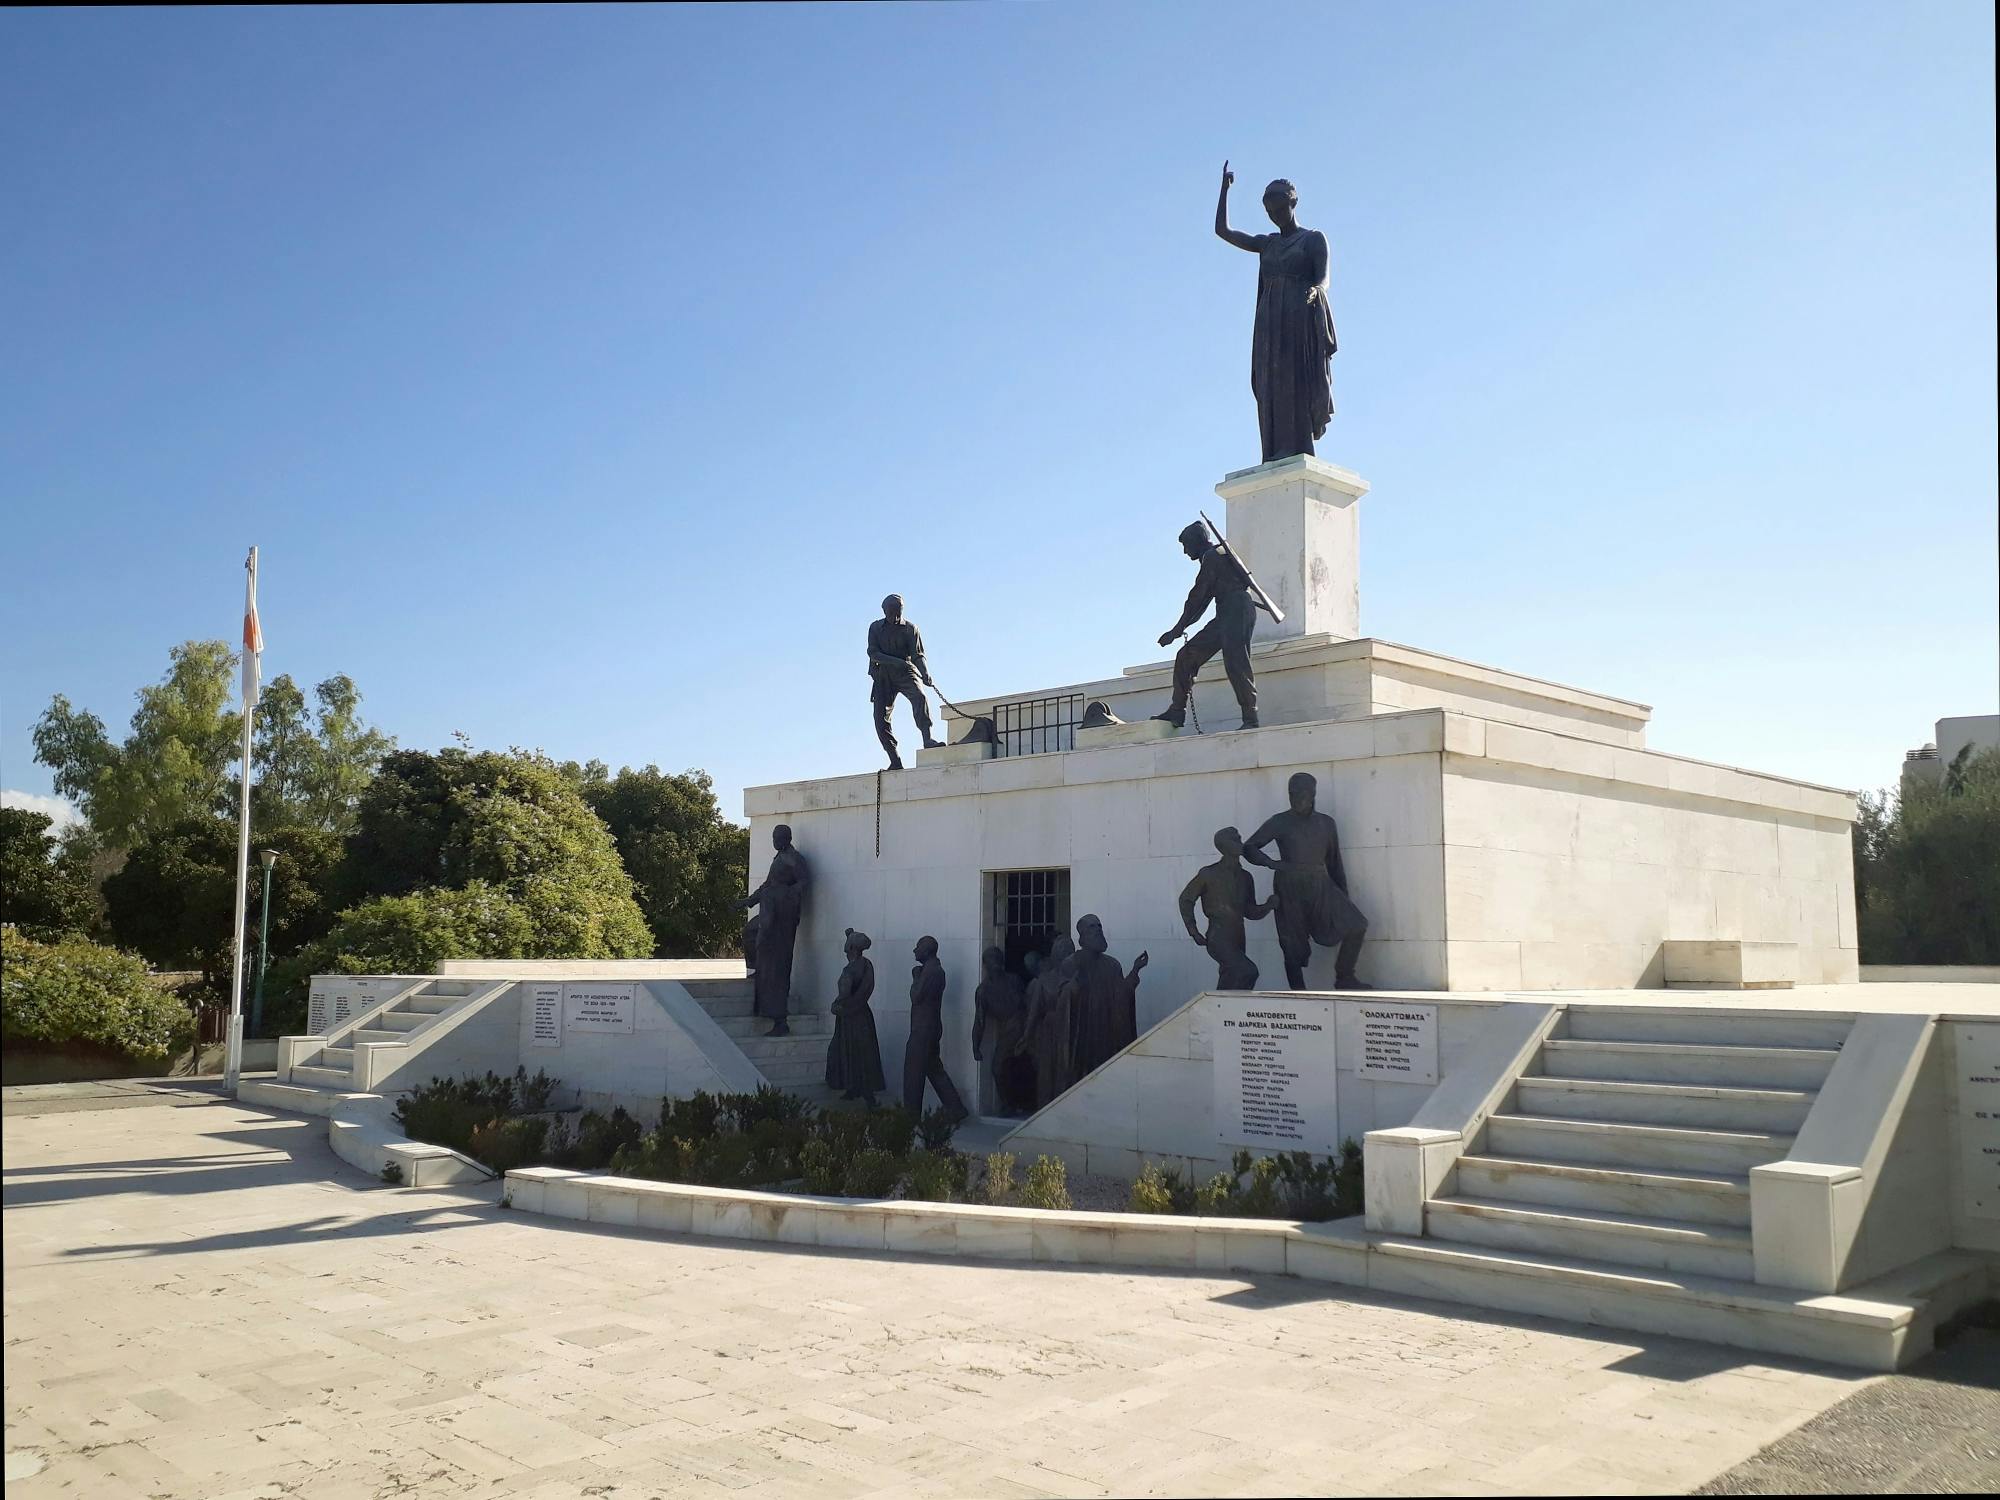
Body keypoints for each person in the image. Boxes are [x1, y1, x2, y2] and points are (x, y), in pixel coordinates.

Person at [1214, 161, 1337, 463]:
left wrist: (1315, 291)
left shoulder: (1312, 239)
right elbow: (1223, 231)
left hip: (1298, 317)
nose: (1275, 215)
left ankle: (1299, 446)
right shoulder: (1266, 244)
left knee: (1294, 380)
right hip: (1269, 322)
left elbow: (1323, 278)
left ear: (1292, 203)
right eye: (1270, 211)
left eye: (1279, 208)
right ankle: (1272, 450)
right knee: (1271, 383)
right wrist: (1224, 191)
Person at [1242, 772, 1369, 990]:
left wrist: (1343, 898)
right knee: (1291, 943)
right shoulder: (1280, 821)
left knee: (1357, 924)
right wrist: (1270, 863)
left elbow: (1334, 862)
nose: (1295, 798)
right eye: (1291, 793)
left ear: (1312, 794)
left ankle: (1344, 976)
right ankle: (1298, 992)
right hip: (1289, 886)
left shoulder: (1327, 823)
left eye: (1300, 793)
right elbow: (1249, 847)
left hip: (1320, 884)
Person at [1152, 521, 1259, 730]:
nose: (1184, 552)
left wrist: (1175, 631)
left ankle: (1251, 718)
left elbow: (1198, 598)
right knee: (1186, 656)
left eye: (1186, 545)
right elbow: (1200, 599)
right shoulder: (1214, 555)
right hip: (1226, 612)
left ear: (1196, 542)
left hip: (1236, 610)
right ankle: (1177, 711)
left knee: (1236, 664)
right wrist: (1179, 628)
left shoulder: (1212, 557)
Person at [1179, 826, 1275, 990]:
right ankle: (1226, 1010)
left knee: (1231, 977)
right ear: (1224, 846)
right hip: (1219, 935)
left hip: (1238, 935)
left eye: (1239, 839)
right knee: (1247, 971)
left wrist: (1268, 906)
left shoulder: (1246, 877)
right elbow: (1186, 899)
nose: (1240, 843)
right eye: (1235, 840)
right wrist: (1193, 931)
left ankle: (1228, 1013)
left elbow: (1250, 912)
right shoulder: (1209, 874)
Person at [736, 824, 809, 1034]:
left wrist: (785, 894)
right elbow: (768, 885)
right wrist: (748, 901)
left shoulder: (793, 858)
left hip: (782, 917)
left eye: (777, 837)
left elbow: (804, 882)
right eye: (773, 837)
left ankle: (780, 1019)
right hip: (770, 911)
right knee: (750, 931)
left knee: (778, 964)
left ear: (787, 838)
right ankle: (756, 966)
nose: (774, 841)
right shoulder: (778, 858)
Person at [1067, 914, 1148, 1079]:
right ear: (1082, 935)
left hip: (1106, 1030)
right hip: (1083, 1031)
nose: (1098, 930)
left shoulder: (1112, 965)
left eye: (1099, 926)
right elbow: (1063, 999)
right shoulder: (1072, 963)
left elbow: (1122, 995)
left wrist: (1135, 971)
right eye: (1092, 927)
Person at [868, 594, 942, 769]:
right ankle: (894, 759)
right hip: (884, 675)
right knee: (880, 719)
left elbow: (918, 655)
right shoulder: (875, 628)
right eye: (890, 611)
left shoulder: (910, 628)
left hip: (906, 672)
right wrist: (896, 661)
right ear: (884, 610)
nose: (894, 615)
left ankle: (927, 739)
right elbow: (873, 652)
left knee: (920, 698)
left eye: (897, 611)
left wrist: (925, 673)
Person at [902, 936, 968, 1121]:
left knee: (913, 1071)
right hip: (930, 1026)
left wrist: (915, 978)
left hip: (923, 1029)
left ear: (927, 951)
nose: (915, 951)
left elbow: (916, 996)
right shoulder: (934, 970)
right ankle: (956, 1109)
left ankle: (910, 1116)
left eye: (918, 947)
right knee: (933, 1069)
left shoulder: (931, 971)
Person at [825, 929, 885, 1105]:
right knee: (864, 1052)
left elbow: (844, 993)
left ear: (850, 949)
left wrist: (836, 1006)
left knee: (851, 1052)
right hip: (863, 1014)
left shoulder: (849, 970)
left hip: (849, 1016)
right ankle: (855, 1088)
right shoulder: (867, 965)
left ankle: (863, 1091)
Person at [971, 945, 1032, 1114]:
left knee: (1011, 1065)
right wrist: (975, 1046)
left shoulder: (1014, 980)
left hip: (1022, 1025)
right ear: (985, 965)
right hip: (1010, 1028)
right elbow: (979, 1021)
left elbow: (1028, 1003)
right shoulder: (983, 991)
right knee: (1001, 1067)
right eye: (992, 960)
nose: (995, 964)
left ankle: (1017, 1103)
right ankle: (1010, 1104)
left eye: (998, 959)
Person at [1021, 937, 1078, 1108]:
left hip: (1072, 1029)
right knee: (1047, 1072)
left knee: (1068, 1071)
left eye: (1070, 952)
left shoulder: (1078, 979)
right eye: (1064, 952)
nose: (1067, 956)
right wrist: (1026, 1036)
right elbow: (1033, 1013)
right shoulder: (1043, 980)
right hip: (1050, 1031)